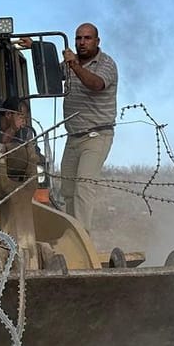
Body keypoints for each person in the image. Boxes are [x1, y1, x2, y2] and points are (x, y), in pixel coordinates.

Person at [58, 22, 119, 224]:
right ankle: (70, 235)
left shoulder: (106, 64)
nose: (82, 42)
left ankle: (82, 242)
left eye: (87, 38)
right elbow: (49, 73)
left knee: (83, 187)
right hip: (73, 136)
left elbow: (95, 85)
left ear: (97, 41)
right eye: (78, 38)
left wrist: (74, 65)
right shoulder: (70, 64)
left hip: (96, 135)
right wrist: (35, 47)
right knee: (67, 190)